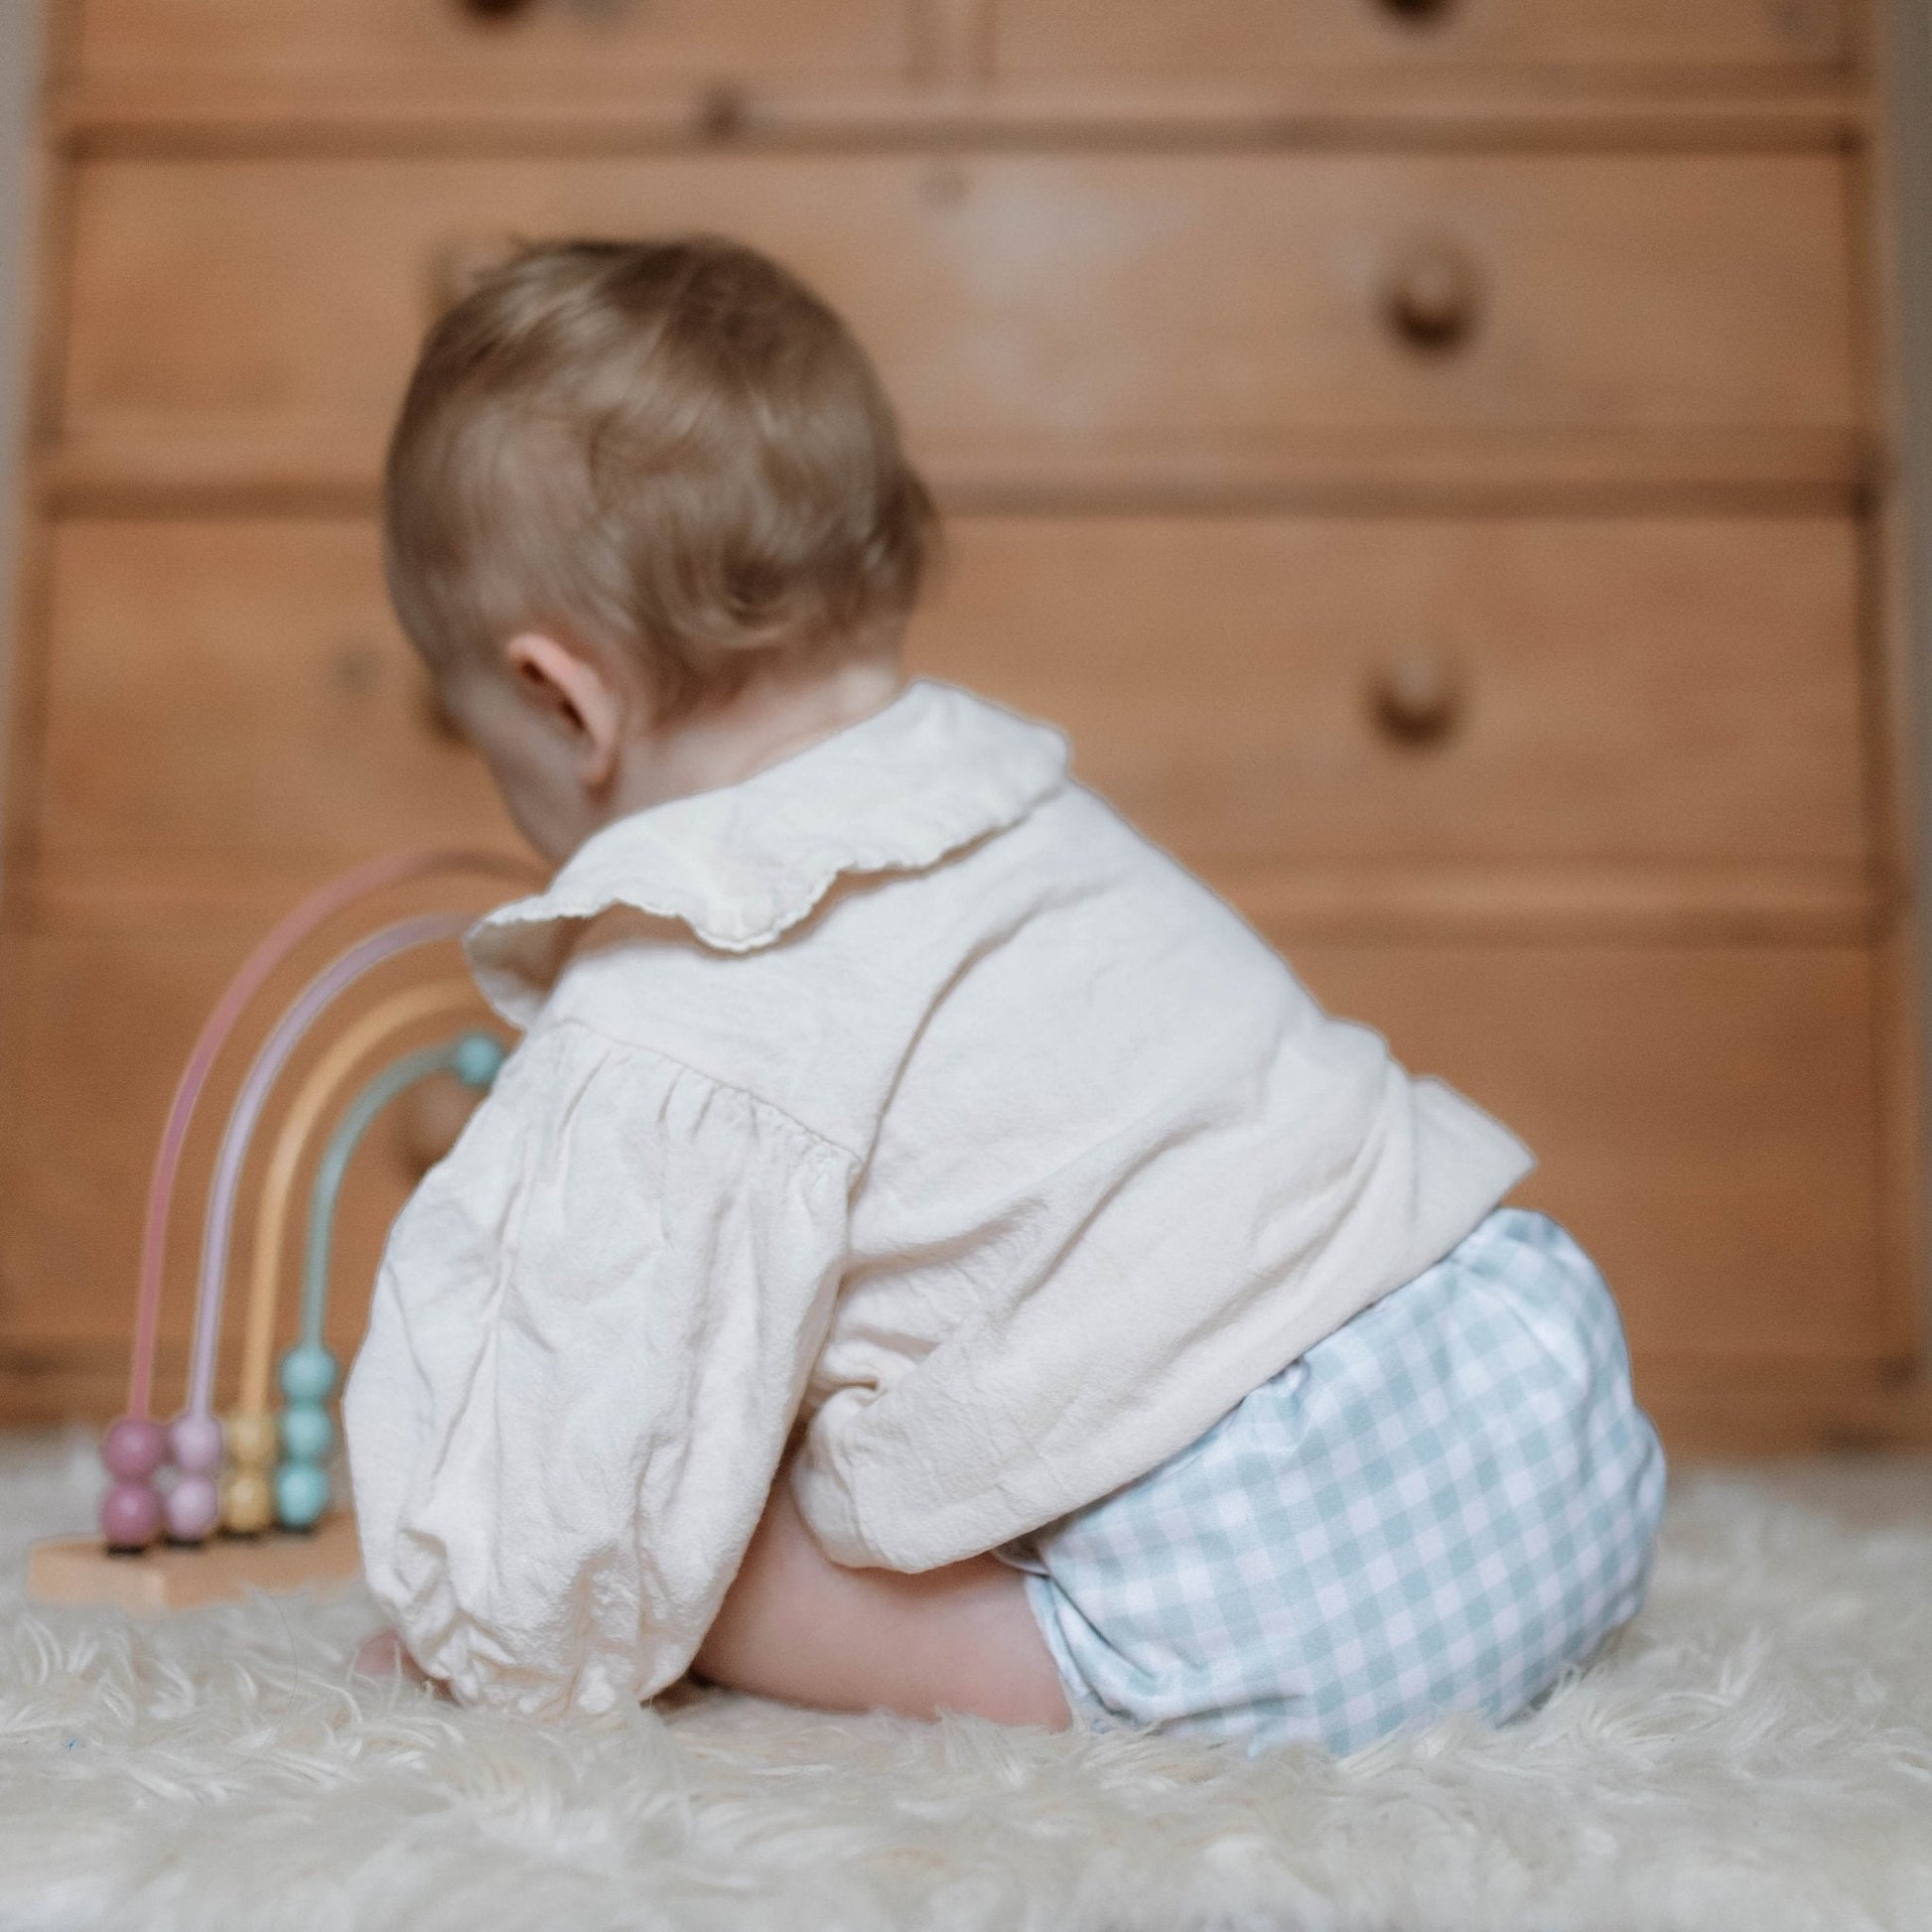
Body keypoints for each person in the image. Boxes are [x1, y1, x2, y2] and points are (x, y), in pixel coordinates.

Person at [345, 236, 1665, 1753]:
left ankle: (1036, 1665)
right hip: (1531, 1413)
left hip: (1271, 1583)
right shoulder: (1008, 796)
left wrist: (505, 1611)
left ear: (557, 701)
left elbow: (570, 1431)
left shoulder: (679, 981)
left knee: (680, 1523)